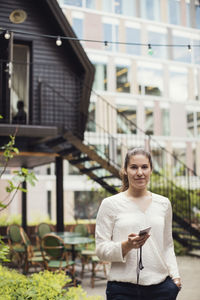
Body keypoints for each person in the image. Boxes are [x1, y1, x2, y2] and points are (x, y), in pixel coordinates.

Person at [95, 147, 182, 300]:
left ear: (151, 170)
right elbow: (101, 250)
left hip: (162, 289)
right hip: (122, 290)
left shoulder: (163, 203)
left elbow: (168, 245)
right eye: (134, 167)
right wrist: (126, 246)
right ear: (125, 171)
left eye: (144, 167)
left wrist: (175, 278)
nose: (139, 172)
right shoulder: (110, 204)